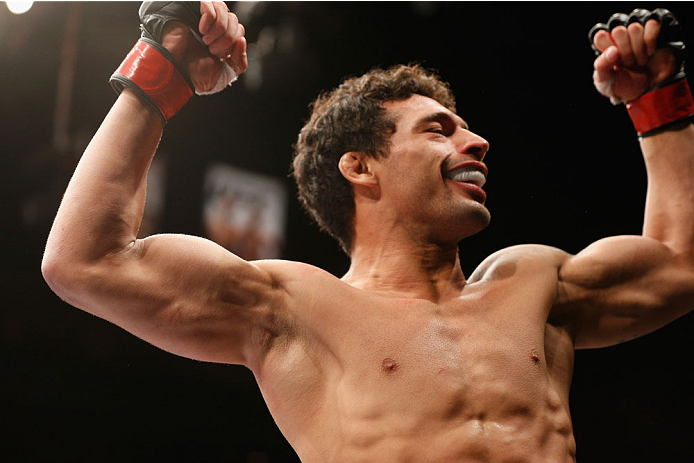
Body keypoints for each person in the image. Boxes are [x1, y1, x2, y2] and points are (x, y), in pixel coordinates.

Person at [42, 2, 694, 461]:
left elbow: (678, 264)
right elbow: (84, 260)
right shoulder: (297, 308)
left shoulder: (534, 284)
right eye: (440, 129)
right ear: (359, 166)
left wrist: (659, 101)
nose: (480, 142)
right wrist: (164, 68)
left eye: (467, 128)